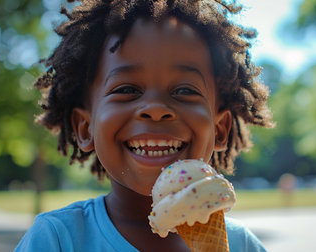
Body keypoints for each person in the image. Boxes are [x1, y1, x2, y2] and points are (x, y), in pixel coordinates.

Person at [15, 0, 274, 251]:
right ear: (85, 127)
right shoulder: (57, 239)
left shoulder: (242, 245)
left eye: (184, 90)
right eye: (127, 89)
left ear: (220, 130)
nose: (156, 109)